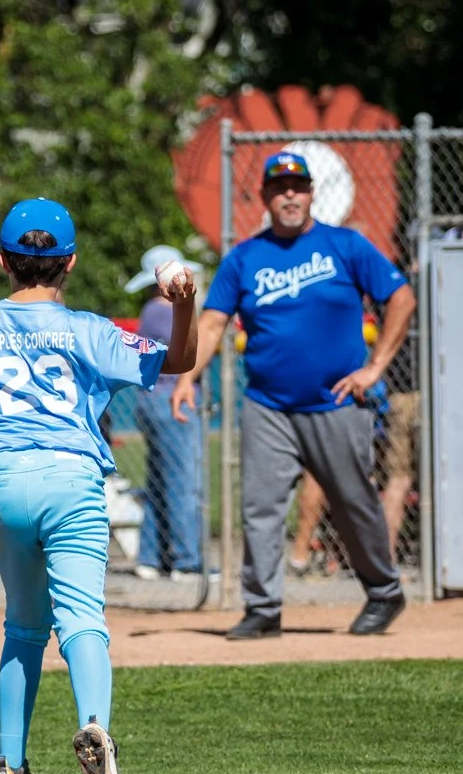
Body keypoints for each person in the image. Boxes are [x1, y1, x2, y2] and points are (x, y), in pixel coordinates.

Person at [0, 198, 197, 774]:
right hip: (72, 478)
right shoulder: (88, 329)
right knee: (83, 619)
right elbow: (175, 361)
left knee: (23, 627)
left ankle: (9, 771)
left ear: (3, 261)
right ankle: (96, 729)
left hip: (4, 482)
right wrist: (183, 304)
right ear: (70, 262)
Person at [172, 151, 414, 639]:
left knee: (353, 502)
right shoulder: (244, 258)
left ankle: (384, 592)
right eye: (280, 187)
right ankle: (263, 609)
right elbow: (215, 321)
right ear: (264, 196)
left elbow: (401, 297)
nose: (290, 194)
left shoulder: (345, 245)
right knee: (260, 507)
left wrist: (375, 368)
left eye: (298, 186)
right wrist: (186, 376)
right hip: (267, 404)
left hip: (337, 400)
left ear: (311, 194)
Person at [126, 245, 205, 583]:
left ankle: (150, 557)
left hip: (154, 402)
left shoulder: (150, 310)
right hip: (171, 401)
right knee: (183, 482)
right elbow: (195, 349)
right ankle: (187, 561)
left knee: (160, 483)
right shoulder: (162, 310)